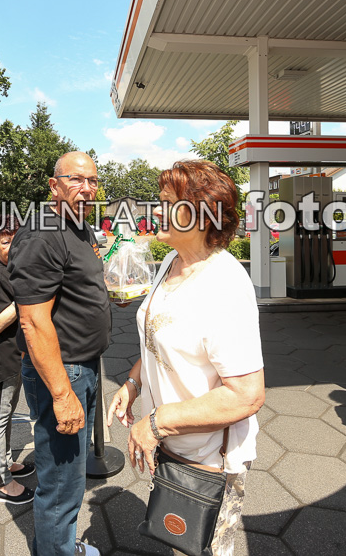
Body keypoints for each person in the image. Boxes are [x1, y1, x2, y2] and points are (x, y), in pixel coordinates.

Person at [107, 160, 265, 556]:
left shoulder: (224, 285)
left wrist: (155, 424)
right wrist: (133, 383)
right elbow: (157, 337)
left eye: (167, 203)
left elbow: (246, 395)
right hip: (173, 444)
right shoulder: (170, 262)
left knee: (204, 548)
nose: (156, 210)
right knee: (178, 542)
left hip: (208, 456)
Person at [8, 151, 111, 556]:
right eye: (76, 179)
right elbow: (33, 322)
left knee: (70, 474)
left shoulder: (78, 226)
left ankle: (57, 546)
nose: (86, 188)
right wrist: (63, 393)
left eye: (93, 180)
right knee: (61, 483)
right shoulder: (42, 233)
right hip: (64, 373)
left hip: (83, 366)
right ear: (54, 185)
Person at [0, 214, 35, 504]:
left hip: (15, 355)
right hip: (1, 360)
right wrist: (24, 296)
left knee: (7, 414)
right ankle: (0, 482)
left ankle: (6, 462)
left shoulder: (12, 267)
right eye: (5, 242)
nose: (12, 247)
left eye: (16, 240)